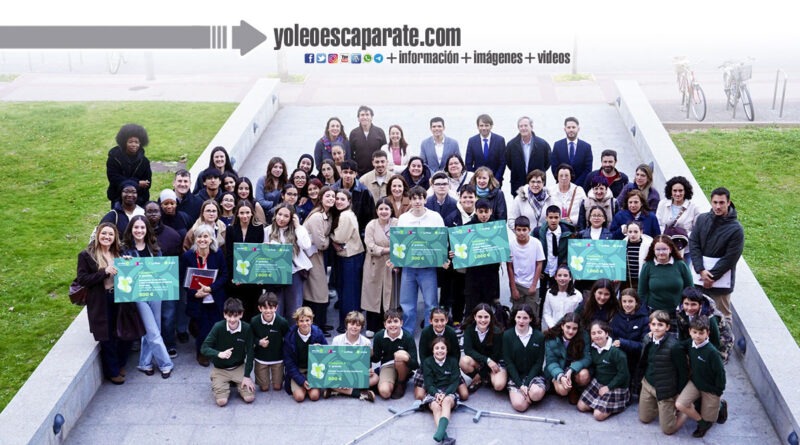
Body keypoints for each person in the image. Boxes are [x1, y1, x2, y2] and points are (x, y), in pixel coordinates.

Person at [77, 223, 131, 384]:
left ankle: (120, 364)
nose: (107, 237)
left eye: (110, 234)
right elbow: (82, 279)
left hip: (119, 298)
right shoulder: (86, 255)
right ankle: (112, 371)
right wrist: (104, 272)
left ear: (115, 237)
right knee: (107, 337)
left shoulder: (118, 252)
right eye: (104, 234)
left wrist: (127, 263)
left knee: (124, 333)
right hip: (101, 300)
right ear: (98, 235)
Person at [121, 215, 174, 379]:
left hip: (155, 292)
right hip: (138, 294)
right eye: (136, 227)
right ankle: (166, 363)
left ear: (147, 230)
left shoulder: (155, 248)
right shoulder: (125, 250)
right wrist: (124, 262)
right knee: (152, 330)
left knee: (153, 329)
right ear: (131, 230)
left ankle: (145, 363)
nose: (139, 230)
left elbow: (162, 270)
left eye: (142, 227)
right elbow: (122, 273)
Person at [689, 187, 744, 326]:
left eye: (721, 203)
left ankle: (725, 346)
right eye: (715, 202)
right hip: (699, 277)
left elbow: (731, 257)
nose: (718, 206)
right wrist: (700, 270)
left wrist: (711, 277)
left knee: (723, 317)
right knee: (696, 314)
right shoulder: (702, 219)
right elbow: (694, 243)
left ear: (728, 202)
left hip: (720, 283)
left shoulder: (736, 229)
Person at [397, 186, 447, 332]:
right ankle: (407, 335)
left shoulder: (435, 217)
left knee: (431, 304)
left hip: (428, 268)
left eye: (420, 198)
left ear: (425, 199)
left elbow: (442, 241)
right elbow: (400, 242)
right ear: (410, 200)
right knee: (407, 304)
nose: (417, 201)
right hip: (409, 268)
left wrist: (442, 258)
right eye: (414, 198)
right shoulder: (403, 218)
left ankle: (429, 334)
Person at [180, 224, 228, 367]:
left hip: (215, 297)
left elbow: (224, 275)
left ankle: (215, 351)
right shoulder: (188, 256)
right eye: (199, 236)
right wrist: (195, 293)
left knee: (216, 326)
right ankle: (202, 353)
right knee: (202, 329)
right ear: (195, 239)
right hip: (197, 299)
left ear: (211, 238)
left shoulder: (217, 254)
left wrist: (210, 288)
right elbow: (183, 278)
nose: (202, 239)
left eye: (206, 236)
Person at [637, 309, 690, 435]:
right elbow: (644, 361)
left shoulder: (674, 346)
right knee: (644, 418)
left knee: (668, 429)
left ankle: (684, 412)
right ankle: (658, 407)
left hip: (666, 389)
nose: (656, 328)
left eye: (660, 325)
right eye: (654, 324)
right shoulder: (647, 339)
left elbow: (683, 372)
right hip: (648, 384)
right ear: (649, 326)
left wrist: (679, 393)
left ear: (667, 327)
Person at [675, 316, 728, 438]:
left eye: (701, 333)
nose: (697, 336)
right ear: (690, 332)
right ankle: (702, 423)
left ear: (707, 333)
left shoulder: (712, 352)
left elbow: (721, 373)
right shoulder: (690, 343)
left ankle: (720, 406)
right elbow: (679, 346)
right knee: (680, 404)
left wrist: (718, 391)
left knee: (710, 418)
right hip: (695, 383)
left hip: (710, 387)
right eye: (694, 332)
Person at [200, 297, 255, 406]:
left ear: (241, 314)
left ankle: (233, 382)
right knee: (221, 402)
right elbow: (204, 348)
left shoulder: (247, 328)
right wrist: (219, 354)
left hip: (238, 367)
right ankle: (218, 380)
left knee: (249, 398)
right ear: (224, 314)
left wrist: (247, 376)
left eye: (236, 316)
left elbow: (250, 353)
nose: (232, 319)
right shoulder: (218, 327)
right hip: (220, 368)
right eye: (229, 316)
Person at [144, 201, 182, 358]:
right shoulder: (138, 232)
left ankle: (169, 343)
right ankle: (147, 346)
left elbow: (178, 260)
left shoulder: (172, 235)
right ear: (144, 214)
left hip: (167, 282)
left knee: (168, 314)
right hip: (145, 282)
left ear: (161, 214)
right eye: (149, 212)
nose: (153, 214)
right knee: (147, 316)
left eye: (156, 211)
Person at [265, 203, 313, 323]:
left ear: (292, 217)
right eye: (279, 214)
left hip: (294, 273)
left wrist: (297, 226)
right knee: (277, 308)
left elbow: (306, 245)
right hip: (276, 274)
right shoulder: (267, 230)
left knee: (294, 309)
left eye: (286, 216)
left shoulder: (297, 230)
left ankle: (292, 337)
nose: (281, 218)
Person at [577, 320, 631, 421]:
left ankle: (617, 403)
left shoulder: (616, 352)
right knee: (581, 406)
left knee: (598, 415)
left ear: (606, 333)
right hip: (599, 383)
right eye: (593, 333)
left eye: (600, 332)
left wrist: (608, 387)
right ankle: (600, 404)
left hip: (615, 386)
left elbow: (624, 375)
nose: (597, 336)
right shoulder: (593, 349)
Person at [442, 185, 478, 327]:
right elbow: (444, 240)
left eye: (471, 196)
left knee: (474, 293)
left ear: (476, 198)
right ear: (460, 198)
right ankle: (457, 320)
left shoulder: (481, 214)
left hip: (477, 264)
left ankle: (472, 321)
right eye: (465, 197)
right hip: (458, 265)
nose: (468, 200)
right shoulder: (451, 218)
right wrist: (448, 252)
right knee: (458, 293)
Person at [330, 190, 365, 333]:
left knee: (349, 294)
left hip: (351, 258)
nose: (338, 201)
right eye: (337, 198)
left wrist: (329, 236)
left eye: (342, 199)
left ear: (349, 201)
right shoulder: (346, 214)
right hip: (351, 257)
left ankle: (348, 325)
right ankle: (352, 323)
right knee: (350, 293)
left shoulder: (345, 215)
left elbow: (339, 237)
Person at [413, 308, 467, 401]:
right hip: (429, 365)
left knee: (464, 395)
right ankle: (434, 394)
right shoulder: (426, 332)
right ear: (430, 321)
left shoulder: (450, 332)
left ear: (446, 320)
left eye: (442, 320)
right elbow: (422, 354)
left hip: (448, 365)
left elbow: (456, 353)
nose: (439, 323)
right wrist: (429, 368)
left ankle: (447, 392)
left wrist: (453, 368)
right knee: (419, 396)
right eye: (436, 320)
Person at [361, 198, 398, 335]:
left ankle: (387, 324)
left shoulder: (397, 223)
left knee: (390, 295)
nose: (383, 212)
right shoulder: (371, 225)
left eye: (386, 209)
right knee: (373, 294)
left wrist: (390, 250)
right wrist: (388, 249)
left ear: (391, 210)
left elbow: (402, 243)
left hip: (392, 265)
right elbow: (370, 245)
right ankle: (372, 326)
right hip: (374, 264)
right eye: (381, 209)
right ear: (376, 211)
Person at [225, 199, 265, 320]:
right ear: (237, 214)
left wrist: (257, 276)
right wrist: (235, 276)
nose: (245, 216)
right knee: (239, 307)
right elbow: (230, 254)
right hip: (237, 277)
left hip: (253, 278)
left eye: (247, 212)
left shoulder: (258, 228)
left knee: (253, 308)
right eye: (242, 213)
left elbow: (259, 253)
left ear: (252, 213)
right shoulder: (231, 229)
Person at [302, 187, 335, 335]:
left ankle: (320, 323)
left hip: (317, 255)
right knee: (317, 290)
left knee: (318, 290)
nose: (331, 199)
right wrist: (330, 239)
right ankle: (317, 326)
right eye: (327, 196)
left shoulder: (326, 214)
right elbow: (321, 243)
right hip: (311, 255)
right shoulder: (317, 217)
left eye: (333, 196)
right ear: (321, 198)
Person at [325, 311, 379, 401]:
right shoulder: (337, 340)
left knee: (375, 378)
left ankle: (337, 390)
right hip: (341, 372)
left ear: (361, 327)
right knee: (327, 378)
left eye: (358, 325)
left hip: (357, 374)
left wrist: (368, 371)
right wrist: (343, 378)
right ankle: (360, 393)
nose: (354, 327)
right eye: (352, 324)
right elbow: (332, 362)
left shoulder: (366, 342)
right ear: (346, 324)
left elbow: (367, 365)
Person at [503, 304, 547, 412]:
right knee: (519, 406)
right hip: (516, 376)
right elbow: (509, 363)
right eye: (518, 317)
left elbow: (538, 362)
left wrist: (526, 384)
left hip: (534, 375)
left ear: (531, 319)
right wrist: (520, 384)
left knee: (536, 394)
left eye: (525, 318)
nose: (521, 321)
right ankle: (526, 396)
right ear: (514, 318)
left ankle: (531, 395)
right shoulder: (507, 335)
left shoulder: (539, 336)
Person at [533, 205, 575, 318]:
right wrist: (537, 269)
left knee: (558, 300)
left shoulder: (567, 233)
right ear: (546, 218)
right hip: (544, 272)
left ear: (560, 218)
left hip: (559, 273)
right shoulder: (538, 232)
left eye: (556, 217)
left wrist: (565, 268)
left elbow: (572, 253)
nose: (553, 220)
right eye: (550, 217)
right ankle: (540, 323)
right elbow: (532, 251)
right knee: (541, 299)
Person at [674, 287, 733, 363]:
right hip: (696, 337)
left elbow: (715, 342)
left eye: (693, 305)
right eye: (686, 304)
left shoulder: (711, 317)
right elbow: (681, 336)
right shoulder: (680, 312)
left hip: (720, 342)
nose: (689, 308)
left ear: (700, 304)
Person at [371, 308, 419, 400]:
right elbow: (376, 358)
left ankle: (401, 383)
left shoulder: (407, 337)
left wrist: (406, 358)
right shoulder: (379, 336)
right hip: (387, 365)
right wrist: (367, 353)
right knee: (385, 393)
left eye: (395, 321)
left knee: (399, 355)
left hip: (404, 364)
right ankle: (389, 382)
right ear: (385, 324)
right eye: (389, 322)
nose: (392, 325)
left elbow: (415, 365)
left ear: (401, 323)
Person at [544, 313, 592, 404]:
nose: (571, 331)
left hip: (573, 369)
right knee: (563, 391)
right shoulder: (551, 336)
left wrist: (571, 370)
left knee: (584, 376)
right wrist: (560, 375)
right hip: (558, 368)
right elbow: (551, 362)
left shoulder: (584, 336)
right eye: (568, 327)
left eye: (574, 328)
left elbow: (587, 358)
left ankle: (575, 388)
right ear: (562, 326)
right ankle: (555, 382)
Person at [283, 306, 328, 402]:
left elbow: (328, 352)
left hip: (314, 369)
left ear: (311, 321)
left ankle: (309, 387)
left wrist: (321, 349)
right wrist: (302, 381)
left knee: (314, 396)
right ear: (297, 323)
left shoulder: (318, 333)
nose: (305, 323)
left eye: (307, 320)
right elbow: (289, 362)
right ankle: (301, 386)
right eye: (301, 321)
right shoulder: (290, 337)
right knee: (299, 397)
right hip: (297, 369)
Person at [462, 200, 501, 312]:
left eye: (486, 211)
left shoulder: (497, 228)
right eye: (481, 211)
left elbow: (502, 250)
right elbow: (461, 251)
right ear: (476, 212)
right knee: (471, 309)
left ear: (491, 211)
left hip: (491, 276)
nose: (483, 215)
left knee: (488, 310)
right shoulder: (467, 228)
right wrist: (455, 253)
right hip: (473, 276)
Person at [422, 337, 462, 445]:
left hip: (449, 391)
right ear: (433, 350)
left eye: (443, 348)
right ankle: (444, 437)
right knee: (435, 406)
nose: (440, 350)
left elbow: (454, 382)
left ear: (447, 350)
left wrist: (445, 394)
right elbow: (428, 383)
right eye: (437, 348)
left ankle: (440, 433)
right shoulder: (427, 362)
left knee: (447, 401)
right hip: (433, 391)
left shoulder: (453, 361)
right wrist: (436, 394)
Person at [460, 303, 508, 392]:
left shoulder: (497, 332)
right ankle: (481, 378)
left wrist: (485, 369)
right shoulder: (469, 329)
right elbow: (468, 350)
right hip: (481, 362)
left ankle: (483, 378)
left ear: (491, 318)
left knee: (498, 385)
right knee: (464, 361)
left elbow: (496, 355)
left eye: (486, 317)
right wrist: (487, 360)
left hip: (495, 363)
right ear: (475, 317)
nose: (483, 320)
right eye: (480, 317)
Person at [638, 235, 693, 312]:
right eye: (658, 249)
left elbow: (690, 288)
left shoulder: (681, 265)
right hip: (654, 312)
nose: (661, 253)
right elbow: (642, 292)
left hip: (677, 311)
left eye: (664, 249)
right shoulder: (647, 266)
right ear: (653, 250)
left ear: (670, 249)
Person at [610, 289, 650, 394]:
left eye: (630, 301)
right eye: (624, 301)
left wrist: (623, 343)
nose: (627, 305)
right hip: (620, 357)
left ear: (636, 302)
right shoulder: (617, 317)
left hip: (637, 359)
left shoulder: (644, 319)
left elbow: (644, 345)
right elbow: (612, 337)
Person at [250, 292, 289, 392]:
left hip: (278, 358)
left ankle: (276, 378)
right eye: (265, 308)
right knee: (264, 388)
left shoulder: (282, 322)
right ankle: (265, 380)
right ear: (260, 308)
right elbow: (250, 338)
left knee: (277, 387)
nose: (268, 311)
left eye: (271, 308)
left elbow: (288, 338)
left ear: (276, 308)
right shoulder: (254, 321)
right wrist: (258, 342)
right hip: (261, 358)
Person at [106, 123, 151, 207]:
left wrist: (128, 183)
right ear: (124, 142)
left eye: (136, 142)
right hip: (118, 199)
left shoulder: (144, 162)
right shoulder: (114, 158)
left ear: (141, 143)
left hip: (139, 200)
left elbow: (148, 183)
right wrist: (137, 183)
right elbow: (114, 178)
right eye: (130, 142)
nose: (134, 145)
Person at [505, 116, 551, 196]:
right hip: (518, 185)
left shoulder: (542, 144)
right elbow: (509, 164)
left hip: (537, 184)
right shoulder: (511, 145)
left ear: (531, 127)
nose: (523, 128)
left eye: (526, 125)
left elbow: (547, 163)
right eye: (521, 126)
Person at [507, 216, 545, 312]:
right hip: (517, 284)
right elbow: (509, 267)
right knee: (517, 313)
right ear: (514, 230)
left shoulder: (536, 243)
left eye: (524, 230)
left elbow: (539, 264)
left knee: (532, 313)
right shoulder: (510, 245)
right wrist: (513, 288)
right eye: (518, 230)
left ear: (529, 229)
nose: (521, 233)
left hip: (532, 285)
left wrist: (534, 285)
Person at [334, 159, 376, 238]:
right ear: (341, 173)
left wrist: (363, 236)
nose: (348, 175)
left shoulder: (364, 191)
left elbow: (370, 217)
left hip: (358, 234)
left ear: (356, 174)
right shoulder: (333, 190)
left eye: (351, 173)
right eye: (345, 172)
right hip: (338, 233)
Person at [551, 117, 593, 188]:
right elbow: (554, 167)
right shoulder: (557, 145)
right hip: (562, 186)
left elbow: (588, 169)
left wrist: (575, 185)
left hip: (580, 186)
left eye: (573, 127)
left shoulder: (586, 147)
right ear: (565, 129)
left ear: (578, 129)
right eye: (569, 127)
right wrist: (564, 181)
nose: (571, 130)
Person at [465, 114, 506, 184]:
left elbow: (503, 162)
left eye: (486, 125)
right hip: (478, 182)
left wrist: (496, 179)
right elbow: (468, 163)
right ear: (477, 126)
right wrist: (475, 179)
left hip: (495, 181)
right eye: (481, 125)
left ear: (491, 126)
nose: (484, 128)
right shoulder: (472, 141)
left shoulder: (500, 140)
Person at [542, 265, 583, 331]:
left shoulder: (578, 295)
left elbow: (578, 315)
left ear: (570, 278)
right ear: (555, 277)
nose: (562, 278)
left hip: (570, 329)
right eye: (559, 275)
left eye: (565, 275)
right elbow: (547, 313)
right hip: (554, 328)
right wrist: (552, 326)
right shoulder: (549, 293)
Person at [349, 105, 387, 176]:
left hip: (376, 170)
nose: (365, 117)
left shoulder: (379, 132)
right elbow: (350, 154)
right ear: (358, 118)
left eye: (367, 115)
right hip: (359, 172)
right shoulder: (353, 133)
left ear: (372, 117)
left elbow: (384, 152)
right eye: (362, 115)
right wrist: (353, 170)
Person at [621, 221, 652, 292]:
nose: (632, 234)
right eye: (630, 232)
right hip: (626, 281)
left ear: (641, 232)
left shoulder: (648, 245)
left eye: (635, 232)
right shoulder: (622, 244)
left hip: (641, 280)